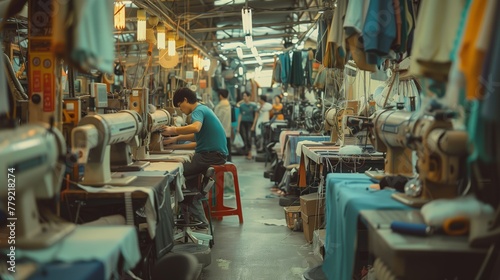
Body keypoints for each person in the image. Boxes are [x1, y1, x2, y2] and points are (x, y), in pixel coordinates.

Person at [161, 87, 228, 228]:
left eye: (180, 105)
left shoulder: (198, 111)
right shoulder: (204, 109)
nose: (180, 109)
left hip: (210, 157)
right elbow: (197, 140)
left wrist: (173, 130)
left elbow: (196, 128)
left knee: (173, 175)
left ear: (185, 100)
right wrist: (174, 142)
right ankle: (194, 218)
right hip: (213, 155)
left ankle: (188, 218)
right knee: (186, 182)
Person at [237, 91, 258, 160]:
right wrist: (238, 126)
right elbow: (240, 115)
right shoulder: (242, 106)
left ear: (249, 97)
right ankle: (248, 152)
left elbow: (256, 116)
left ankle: (250, 153)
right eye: (243, 96)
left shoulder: (253, 105)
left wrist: (253, 125)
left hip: (250, 123)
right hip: (243, 123)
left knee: (249, 138)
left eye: (245, 96)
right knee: (244, 138)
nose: (244, 97)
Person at [214, 89, 232, 162]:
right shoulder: (228, 105)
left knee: (221, 149)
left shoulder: (219, 106)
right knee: (228, 147)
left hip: (220, 130)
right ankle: (229, 161)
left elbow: (216, 119)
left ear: (220, 96)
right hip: (227, 129)